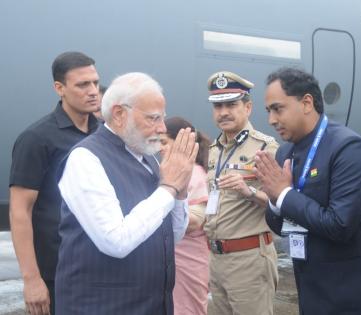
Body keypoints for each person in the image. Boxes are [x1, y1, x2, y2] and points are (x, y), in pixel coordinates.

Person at [255, 67, 361, 315]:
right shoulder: (286, 153)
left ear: (306, 102)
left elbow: (340, 225)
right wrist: (276, 200)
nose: (271, 120)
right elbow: (281, 226)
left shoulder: (347, 148)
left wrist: (285, 193)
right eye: (269, 111)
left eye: (278, 109)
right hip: (315, 290)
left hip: (359, 295)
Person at [55, 72, 198, 314]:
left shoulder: (150, 158)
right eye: (153, 118)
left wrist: (180, 193)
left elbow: (169, 237)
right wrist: (168, 188)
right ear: (120, 114)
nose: (162, 128)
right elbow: (115, 241)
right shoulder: (86, 158)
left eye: (162, 118)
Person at [9, 51, 99, 315]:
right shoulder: (37, 139)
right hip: (56, 273)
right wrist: (32, 280)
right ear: (59, 88)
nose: (93, 90)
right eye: (83, 84)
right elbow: (19, 212)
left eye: (95, 82)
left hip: (100, 270)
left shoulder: (103, 135)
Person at [204, 71, 279, 315]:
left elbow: (282, 202)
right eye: (218, 106)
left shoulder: (265, 148)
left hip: (248, 260)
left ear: (248, 107)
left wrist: (250, 192)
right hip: (216, 259)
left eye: (231, 104)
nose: (223, 112)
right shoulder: (214, 150)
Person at [160, 117, 210, 315]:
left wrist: (155, 216)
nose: (160, 148)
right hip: (172, 258)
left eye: (164, 142)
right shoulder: (167, 172)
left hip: (188, 260)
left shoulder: (195, 174)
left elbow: (196, 220)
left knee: (188, 309)